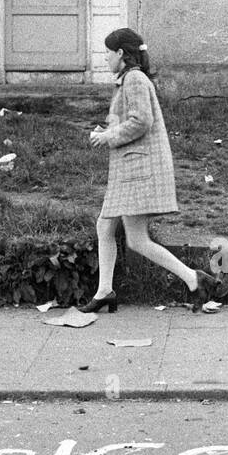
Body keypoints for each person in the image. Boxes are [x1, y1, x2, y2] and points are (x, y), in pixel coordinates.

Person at [79, 28, 216, 313]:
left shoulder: (135, 80)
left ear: (120, 54)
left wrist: (107, 137)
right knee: (114, 230)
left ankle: (193, 279)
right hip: (130, 167)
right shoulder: (127, 81)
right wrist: (105, 130)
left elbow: (142, 121)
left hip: (138, 168)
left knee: (130, 236)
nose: (104, 58)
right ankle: (107, 290)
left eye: (107, 52)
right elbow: (125, 121)